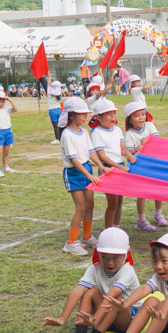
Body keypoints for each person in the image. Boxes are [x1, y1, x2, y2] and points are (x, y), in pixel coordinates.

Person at [44, 227, 140, 333]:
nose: (109, 262)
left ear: (127, 253)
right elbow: (78, 290)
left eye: (116, 257)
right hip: (105, 316)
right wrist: (62, 318)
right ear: (97, 251)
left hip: (127, 319)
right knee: (89, 291)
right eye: (104, 256)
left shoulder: (127, 271)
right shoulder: (94, 268)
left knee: (116, 299)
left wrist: (95, 320)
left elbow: (112, 295)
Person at [59, 97, 109, 256]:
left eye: (85, 113)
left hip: (87, 169)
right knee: (80, 207)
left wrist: (100, 166)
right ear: (71, 115)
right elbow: (74, 160)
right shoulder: (67, 134)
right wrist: (88, 174)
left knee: (90, 205)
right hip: (74, 173)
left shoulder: (84, 132)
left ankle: (87, 236)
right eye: (81, 114)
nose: (85, 117)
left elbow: (90, 151)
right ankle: (71, 242)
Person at [123, 101, 166, 232]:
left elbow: (157, 140)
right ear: (129, 119)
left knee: (158, 189)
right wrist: (137, 149)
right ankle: (141, 220)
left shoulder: (150, 126)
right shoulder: (129, 134)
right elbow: (129, 152)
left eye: (143, 114)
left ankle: (158, 214)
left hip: (154, 163)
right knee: (141, 193)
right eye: (136, 116)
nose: (141, 118)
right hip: (140, 167)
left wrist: (148, 141)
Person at [90, 98, 133, 229]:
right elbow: (102, 157)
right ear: (99, 117)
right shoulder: (97, 133)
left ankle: (116, 227)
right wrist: (119, 167)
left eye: (114, 113)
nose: (113, 117)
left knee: (120, 202)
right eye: (108, 114)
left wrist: (129, 154)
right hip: (108, 170)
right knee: (112, 203)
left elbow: (122, 148)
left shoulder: (117, 130)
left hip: (121, 167)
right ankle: (108, 231)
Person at [45, 77, 63, 143]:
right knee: (60, 125)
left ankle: (57, 139)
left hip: (52, 110)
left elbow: (48, 83)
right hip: (58, 109)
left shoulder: (49, 92)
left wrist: (49, 76)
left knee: (55, 125)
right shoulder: (59, 94)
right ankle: (61, 138)